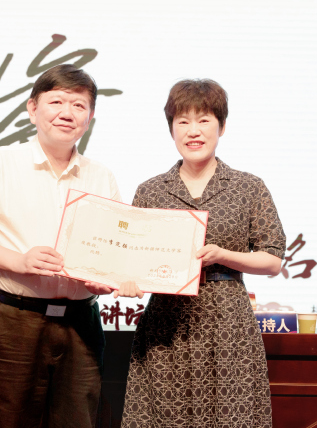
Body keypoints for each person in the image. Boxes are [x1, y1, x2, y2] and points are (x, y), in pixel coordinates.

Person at [0, 64, 122, 428]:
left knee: (80, 422)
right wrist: (20, 261)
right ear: (33, 108)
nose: (67, 113)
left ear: (90, 117)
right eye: (56, 101)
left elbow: (112, 252)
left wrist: (107, 279)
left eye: (78, 105)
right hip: (16, 319)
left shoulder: (101, 176)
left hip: (82, 322)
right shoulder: (0, 163)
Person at [119, 79, 286, 427]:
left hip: (228, 321)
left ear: (221, 126)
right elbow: (133, 259)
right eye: (183, 121)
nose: (193, 131)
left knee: (231, 416)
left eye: (204, 120)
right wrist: (129, 280)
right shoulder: (150, 190)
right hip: (166, 323)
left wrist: (223, 255)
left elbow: (272, 260)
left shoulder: (249, 187)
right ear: (171, 129)